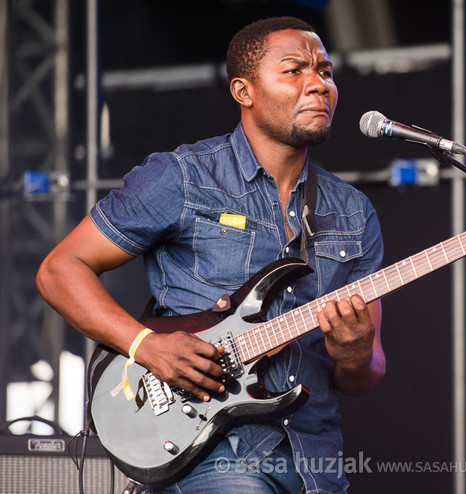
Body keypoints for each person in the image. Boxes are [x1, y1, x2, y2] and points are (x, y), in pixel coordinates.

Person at [36, 16, 385, 493]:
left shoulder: (353, 212)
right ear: (244, 91)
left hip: (315, 463)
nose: (318, 84)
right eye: (294, 70)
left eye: (325, 71)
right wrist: (146, 346)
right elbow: (60, 269)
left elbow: (363, 378)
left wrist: (356, 353)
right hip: (209, 454)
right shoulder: (182, 177)